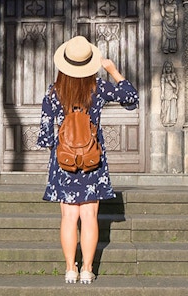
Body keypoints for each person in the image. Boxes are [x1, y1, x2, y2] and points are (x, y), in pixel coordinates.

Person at [37, 35, 138, 284]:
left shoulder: (54, 92)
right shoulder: (99, 88)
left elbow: (45, 136)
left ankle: (70, 268)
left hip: (64, 163)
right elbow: (131, 98)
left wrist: (63, 147)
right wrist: (113, 70)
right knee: (90, 216)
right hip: (93, 160)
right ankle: (87, 269)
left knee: (69, 217)